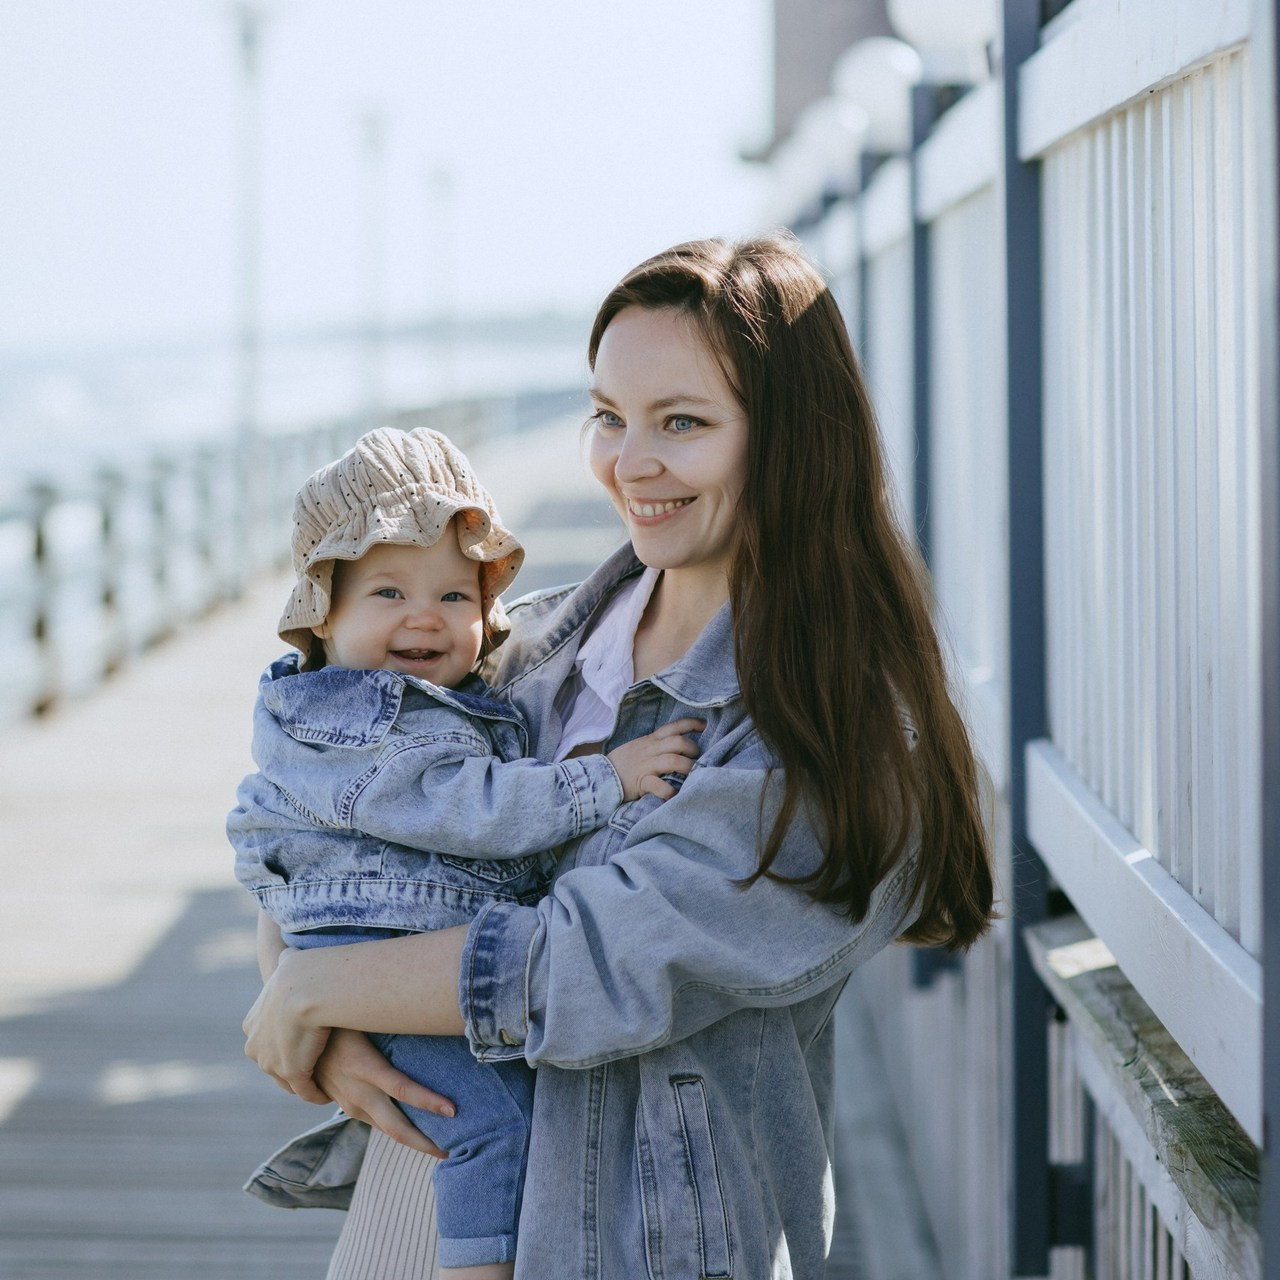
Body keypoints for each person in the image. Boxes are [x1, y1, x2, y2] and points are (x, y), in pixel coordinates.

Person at [243, 234, 995, 1279]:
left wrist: (323, 989)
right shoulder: (511, 655)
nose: (627, 464)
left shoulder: (834, 731)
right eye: (607, 415)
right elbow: (324, 816)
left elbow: (588, 967)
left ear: (786, 440)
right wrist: (295, 977)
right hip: (423, 1192)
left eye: (680, 422)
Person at [228, 426, 701, 1278]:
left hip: (375, 958)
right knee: (494, 1127)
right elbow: (472, 808)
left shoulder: (415, 698)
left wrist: (301, 990)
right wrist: (605, 780)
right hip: (383, 953)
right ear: (321, 616)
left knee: (483, 1120)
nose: (425, 617)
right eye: (387, 592)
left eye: (455, 595)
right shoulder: (370, 723)